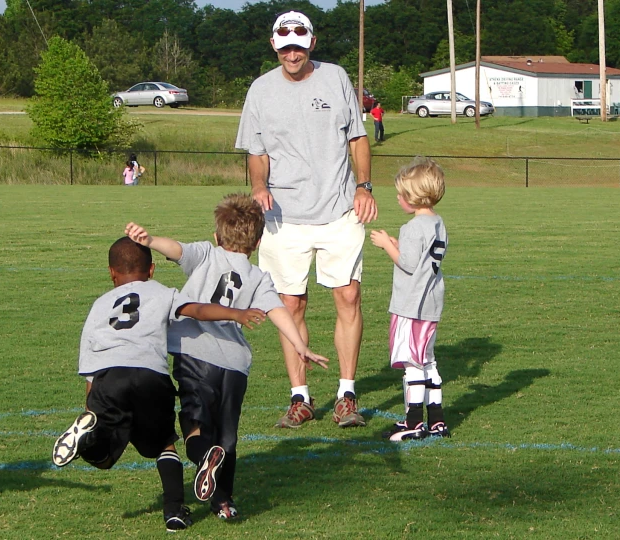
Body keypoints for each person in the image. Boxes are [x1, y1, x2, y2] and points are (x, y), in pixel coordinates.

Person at [125, 193, 329, 520]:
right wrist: (300, 345)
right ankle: (224, 501)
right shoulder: (258, 276)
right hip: (234, 364)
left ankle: (204, 455)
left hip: (194, 353)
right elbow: (277, 310)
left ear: (217, 236)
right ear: (258, 241)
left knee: (194, 424)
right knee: (227, 434)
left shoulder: (206, 254)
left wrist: (149, 239)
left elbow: (177, 249)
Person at [51, 237, 267, 532]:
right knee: (165, 441)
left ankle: (86, 435)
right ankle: (175, 511)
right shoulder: (162, 293)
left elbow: (89, 362)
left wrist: (91, 405)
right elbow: (199, 310)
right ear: (151, 269)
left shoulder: (100, 305)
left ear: (111, 273)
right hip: (150, 374)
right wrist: (237, 314)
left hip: (109, 377)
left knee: (102, 457)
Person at [235, 10, 378, 429]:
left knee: (348, 298)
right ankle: (300, 397)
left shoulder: (335, 78)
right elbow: (256, 153)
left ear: (312, 43)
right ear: (274, 46)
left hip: (338, 211)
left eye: (299, 45)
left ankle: (346, 395)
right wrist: (259, 185)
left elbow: (357, 139)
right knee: (289, 305)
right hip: (283, 219)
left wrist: (364, 186)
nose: (292, 53)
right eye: (284, 47)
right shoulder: (260, 91)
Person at [369, 157, 451, 441]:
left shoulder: (413, 227)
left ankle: (414, 421)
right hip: (430, 303)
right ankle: (437, 418)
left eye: (402, 194)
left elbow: (406, 263)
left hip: (411, 305)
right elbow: (421, 257)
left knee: (412, 363)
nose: (398, 198)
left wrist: (386, 246)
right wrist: (396, 243)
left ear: (414, 197)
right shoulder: (437, 223)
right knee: (428, 360)